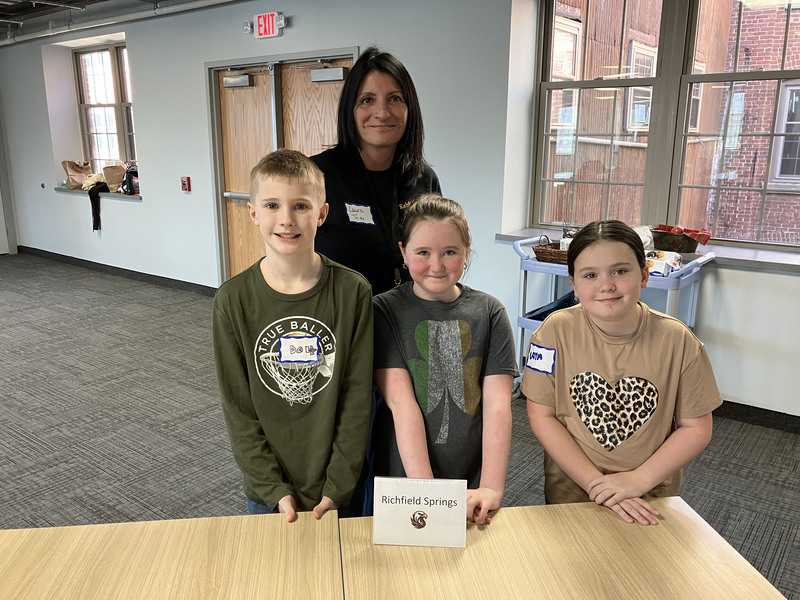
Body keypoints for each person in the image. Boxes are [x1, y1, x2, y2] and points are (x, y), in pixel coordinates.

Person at [521, 220, 722, 525]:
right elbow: (541, 415)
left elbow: (695, 428)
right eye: (590, 275)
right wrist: (594, 483)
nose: (607, 285)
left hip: (650, 496)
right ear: (574, 285)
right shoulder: (553, 332)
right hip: (572, 492)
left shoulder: (679, 341)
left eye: (620, 271)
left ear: (644, 275)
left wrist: (636, 481)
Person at [212, 149, 373, 522]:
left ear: (322, 213)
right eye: (271, 205)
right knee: (274, 578)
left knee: (341, 576)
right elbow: (239, 410)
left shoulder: (353, 293)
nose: (286, 220)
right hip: (268, 490)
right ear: (252, 213)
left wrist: (339, 483)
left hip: (339, 485)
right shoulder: (232, 301)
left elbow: (356, 399)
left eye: (300, 205)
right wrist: (272, 488)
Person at [372, 194, 518, 525]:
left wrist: (491, 486)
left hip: (472, 475)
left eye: (449, 252)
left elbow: (498, 406)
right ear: (403, 252)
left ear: (467, 250)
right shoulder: (384, 310)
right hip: (407, 478)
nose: (437, 265)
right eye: (423, 252)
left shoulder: (490, 312)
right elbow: (401, 403)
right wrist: (428, 492)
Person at [311, 46, 441, 296]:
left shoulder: (424, 179)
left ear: (409, 108)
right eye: (367, 100)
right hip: (343, 322)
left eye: (395, 98)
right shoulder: (315, 177)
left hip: (407, 319)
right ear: (350, 109)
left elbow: (439, 249)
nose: (382, 113)